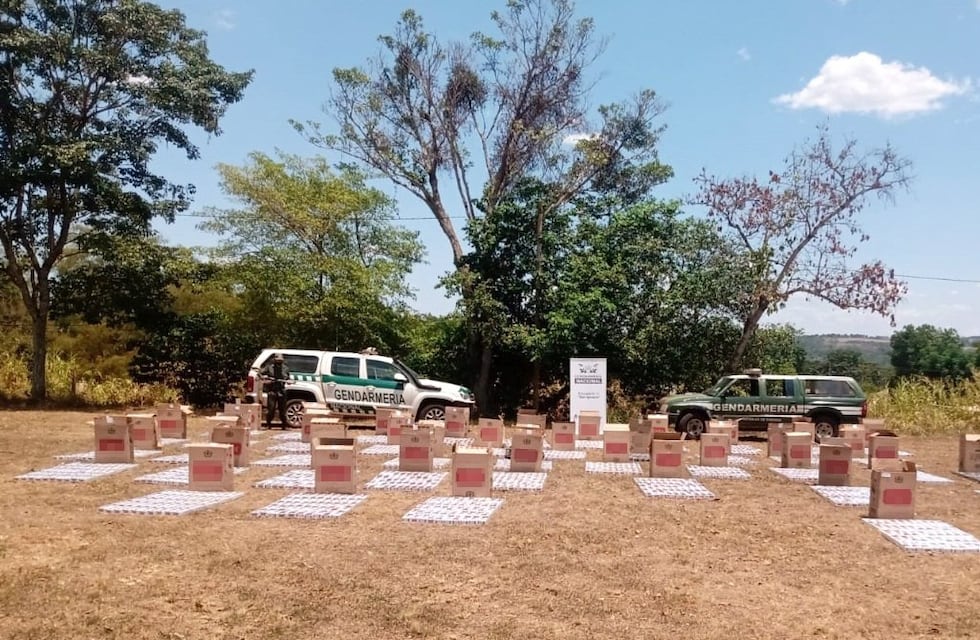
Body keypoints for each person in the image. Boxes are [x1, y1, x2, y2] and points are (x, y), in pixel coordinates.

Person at [259, 353, 291, 428]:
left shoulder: (285, 368)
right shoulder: (269, 367)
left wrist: (288, 381)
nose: (279, 362)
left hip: (281, 390)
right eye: (277, 360)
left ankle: (284, 425)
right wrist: (265, 378)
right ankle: (268, 424)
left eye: (280, 360)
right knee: (271, 409)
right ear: (274, 360)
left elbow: (288, 378)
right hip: (272, 390)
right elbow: (259, 373)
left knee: (282, 410)